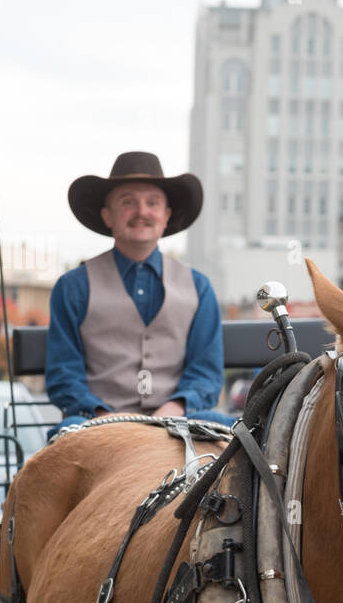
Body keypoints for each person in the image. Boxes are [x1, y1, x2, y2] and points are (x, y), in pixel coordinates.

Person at [48, 151, 231, 438]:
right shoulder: (73, 287)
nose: (142, 212)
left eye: (152, 203)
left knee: (236, 439)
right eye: (128, 202)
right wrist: (103, 417)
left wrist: (173, 408)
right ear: (108, 216)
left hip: (179, 422)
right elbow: (64, 373)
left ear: (166, 216)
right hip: (98, 424)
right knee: (59, 447)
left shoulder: (199, 287)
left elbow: (206, 373)